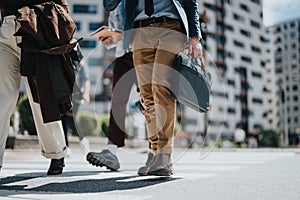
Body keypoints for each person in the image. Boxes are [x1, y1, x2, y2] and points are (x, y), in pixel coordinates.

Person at [104, 0, 202, 176]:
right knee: (147, 94)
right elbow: (109, 4)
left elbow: (190, 2)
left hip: (170, 26)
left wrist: (195, 37)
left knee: (161, 86)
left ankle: (165, 156)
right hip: (139, 31)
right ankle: (156, 153)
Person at [0, 0, 73, 175]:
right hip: (7, 30)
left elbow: (63, 6)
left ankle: (57, 153)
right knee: (3, 99)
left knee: (41, 98)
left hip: (36, 31)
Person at [86, 2, 155, 171]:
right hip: (123, 54)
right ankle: (111, 151)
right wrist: (108, 39)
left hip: (143, 51)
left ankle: (155, 151)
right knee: (117, 101)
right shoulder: (114, 5)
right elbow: (115, 34)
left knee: (149, 102)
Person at [62, 60, 91, 156]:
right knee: (63, 119)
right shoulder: (65, 59)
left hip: (76, 94)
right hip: (64, 92)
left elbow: (85, 79)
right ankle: (66, 146)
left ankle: (82, 140)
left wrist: (86, 94)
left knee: (70, 119)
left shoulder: (81, 62)